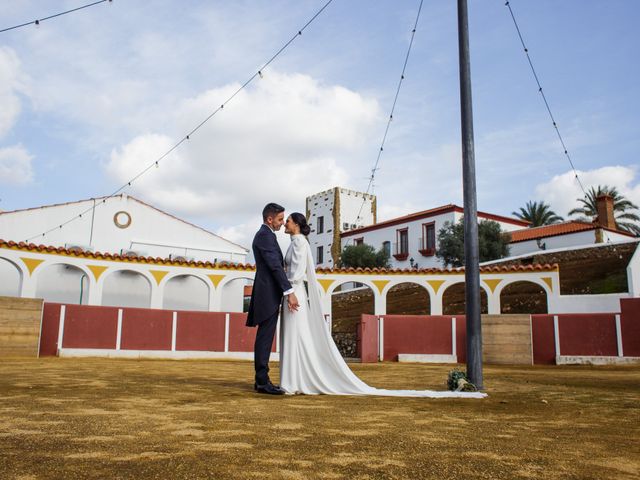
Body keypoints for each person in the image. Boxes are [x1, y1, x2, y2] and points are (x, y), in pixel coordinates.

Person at [279, 212, 486, 399]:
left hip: (293, 293)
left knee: (296, 335)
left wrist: (289, 292)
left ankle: (294, 380)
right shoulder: (297, 242)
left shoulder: (298, 242)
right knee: (296, 335)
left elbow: (296, 273)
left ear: (296, 224)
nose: (285, 223)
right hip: (292, 292)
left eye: (287, 220)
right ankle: (295, 379)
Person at [246, 203, 299, 395]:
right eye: (279, 219)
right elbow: (275, 266)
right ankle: (262, 381)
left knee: (265, 337)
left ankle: (261, 379)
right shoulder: (265, 236)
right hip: (267, 293)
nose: (282, 222)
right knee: (265, 338)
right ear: (270, 219)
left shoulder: (267, 235)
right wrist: (289, 291)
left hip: (268, 292)